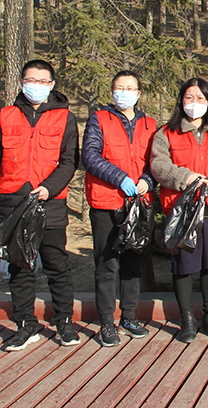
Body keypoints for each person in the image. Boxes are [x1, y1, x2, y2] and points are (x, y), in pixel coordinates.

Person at [0, 59, 79, 351]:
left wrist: (49, 188)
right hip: (12, 202)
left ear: (51, 85)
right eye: (30, 80)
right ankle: (26, 325)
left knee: (56, 265)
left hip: (49, 202)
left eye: (42, 81)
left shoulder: (65, 118)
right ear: (21, 82)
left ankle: (64, 322)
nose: (35, 86)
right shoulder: (5, 115)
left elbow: (69, 162)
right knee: (20, 268)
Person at [151, 77, 208, 343]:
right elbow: (158, 165)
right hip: (182, 211)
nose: (194, 103)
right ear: (181, 101)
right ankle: (187, 318)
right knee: (184, 265)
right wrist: (185, 177)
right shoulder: (166, 133)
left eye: (200, 98)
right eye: (189, 98)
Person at [82, 70, 156, 347]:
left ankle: (129, 316)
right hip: (106, 201)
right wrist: (119, 178)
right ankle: (106, 321)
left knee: (132, 263)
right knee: (106, 265)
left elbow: (156, 160)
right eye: (118, 88)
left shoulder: (150, 124)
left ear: (139, 93)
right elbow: (90, 155)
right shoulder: (99, 119)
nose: (123, 93)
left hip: (138, 203)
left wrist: (148, 180)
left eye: (129, 88)